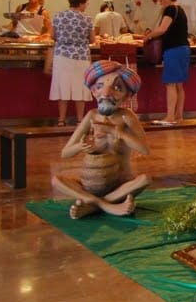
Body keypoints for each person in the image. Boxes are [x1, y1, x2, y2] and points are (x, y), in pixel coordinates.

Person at [51, 60, 150, 219]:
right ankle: (106, 205)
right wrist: (81, 146)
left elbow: (144, 149)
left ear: (128, 95)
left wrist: (116, 132)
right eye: (100, 86)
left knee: (144, 179)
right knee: (57, 181)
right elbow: (65, 153)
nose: (106, 93)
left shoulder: (127, 117)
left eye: (117, 88)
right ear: (93, 91)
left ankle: (91, 206)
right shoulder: (91, 116)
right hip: (91, 183)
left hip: (120, 182)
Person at [145, 0, 189, 125]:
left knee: (170, 84)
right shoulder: (180, 10)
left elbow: (162, 29)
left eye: (161, 0)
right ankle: (178, 115)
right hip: (184, 49)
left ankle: (170, 117)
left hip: (173, 50)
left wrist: (148, 36)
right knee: (179, 85)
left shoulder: (170, 9)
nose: (160, 3)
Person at [49, 0, 94, 127]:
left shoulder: (58, 16)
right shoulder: (87, 19)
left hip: (62, 56)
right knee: (80, 89)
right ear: (80, 3)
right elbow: (92, 39)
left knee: (62, 88)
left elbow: (52, 35)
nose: (86, 5)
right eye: (86, 3)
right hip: (81, 58)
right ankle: (80, 119)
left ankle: (61, 120)